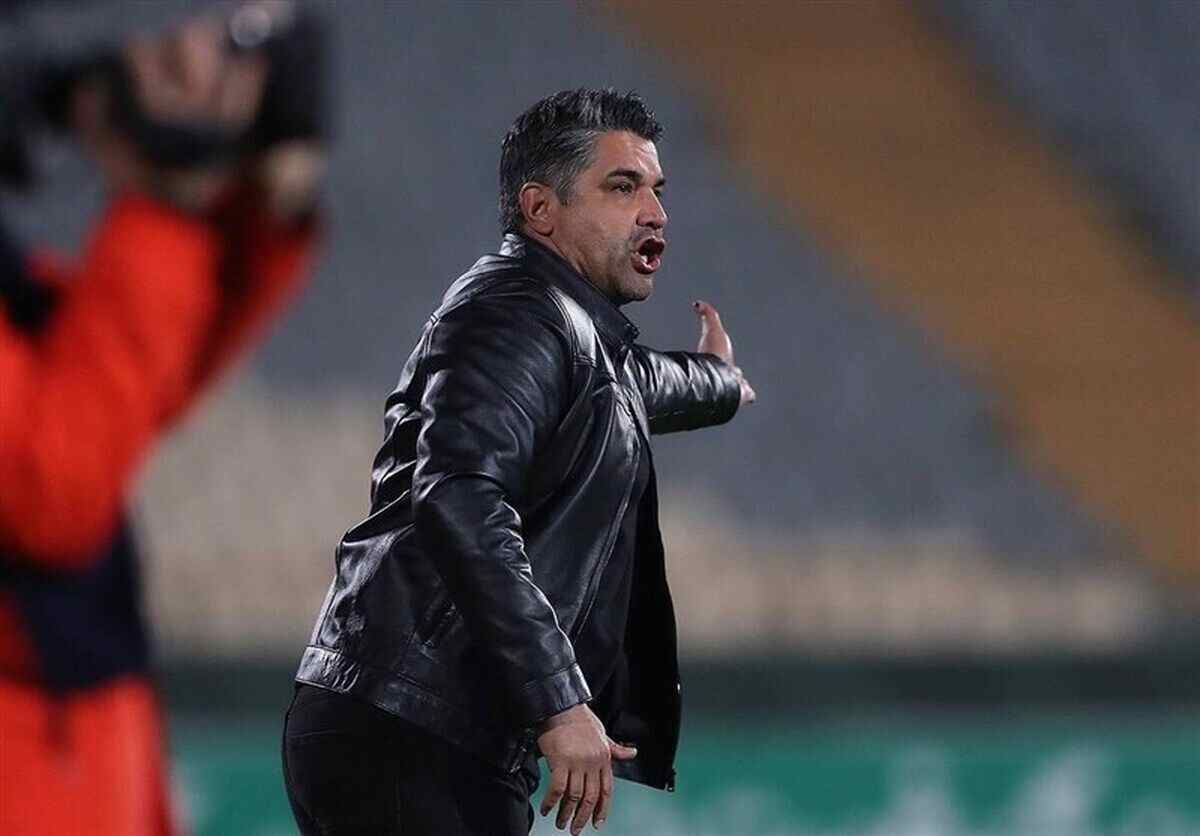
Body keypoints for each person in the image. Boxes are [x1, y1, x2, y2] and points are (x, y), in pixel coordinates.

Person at [283, 88, 755, 836]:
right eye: (623, 187)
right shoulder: (515, 313)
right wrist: (558, 699)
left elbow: (631, 384)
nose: (656, 212)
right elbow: (461, 496)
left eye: (657, 189)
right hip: (416, 727)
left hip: (415, 723)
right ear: (541, 210)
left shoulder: (566, 328)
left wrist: (717, 382)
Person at [0, 5, 325, 834]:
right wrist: (163, 203)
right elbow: (53, 492)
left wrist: (252, 205)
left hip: (81, 769)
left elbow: (128, 390)